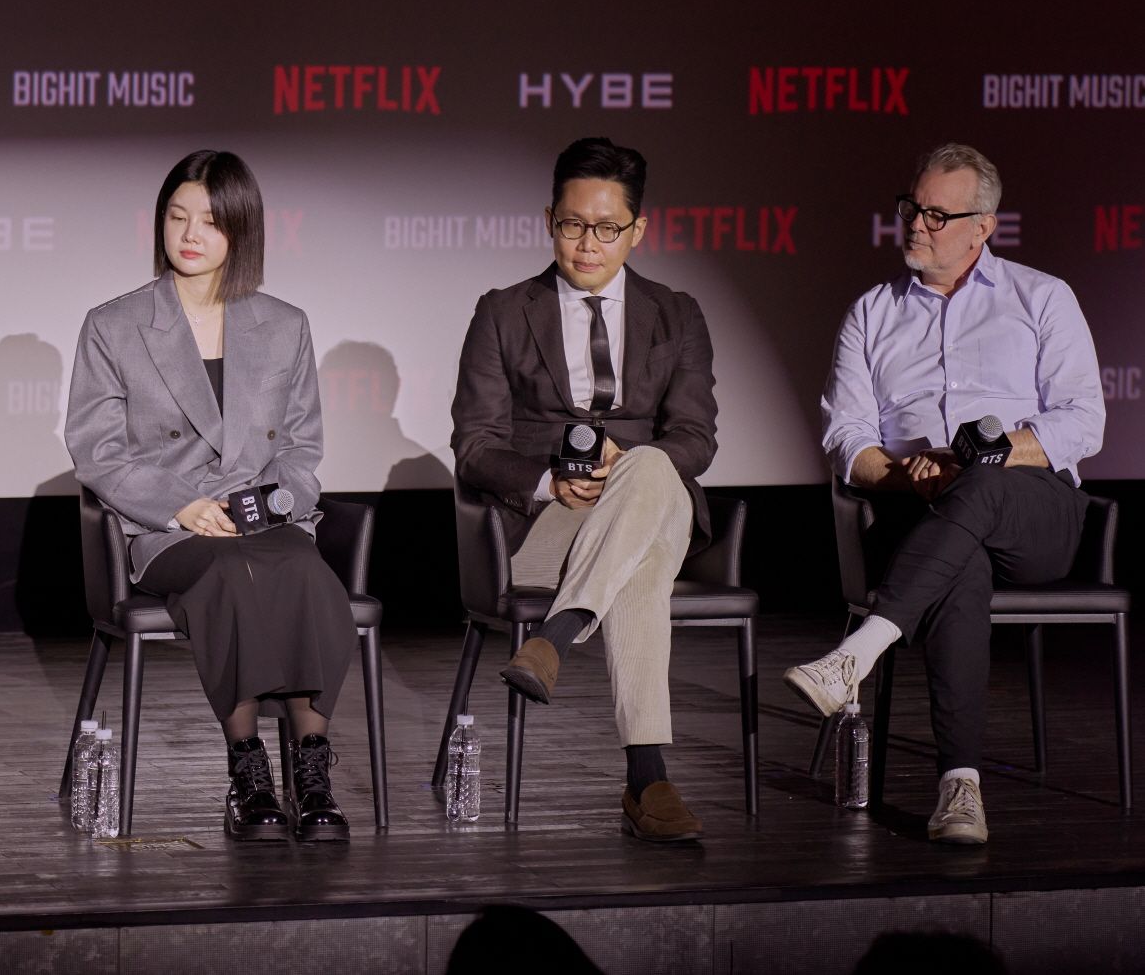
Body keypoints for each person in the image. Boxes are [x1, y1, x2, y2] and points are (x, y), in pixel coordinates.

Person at [787, 143, 1104, 845]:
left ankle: (857, 653)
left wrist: (981, 456)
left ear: (981, 226)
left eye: (936, 214)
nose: (915, 224)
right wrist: (910, 474)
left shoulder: (1041, 297)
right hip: (921, 508)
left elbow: (1084, 421)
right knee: (960, 564)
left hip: (1034, 508)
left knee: (982, 480)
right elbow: (847, 439)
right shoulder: (871, 313)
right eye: (910, 207)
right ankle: (960, 787)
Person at [65, 150, 357, 842]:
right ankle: (248, 770)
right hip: (168, 525)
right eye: (177, 217)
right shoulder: (114, 325)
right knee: (229, 572)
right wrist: (182, 506)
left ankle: (311, 770)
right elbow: (97, 450)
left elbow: (301, 447)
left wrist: (272, 503)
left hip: (263, 518)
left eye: (211, 221)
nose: (190, 234)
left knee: (304, 570)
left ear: (240, 230)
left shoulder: (283, 323)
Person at [451, 137, 719, 842]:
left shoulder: (677, 313)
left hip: (647, 501)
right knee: (640, 564)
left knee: (652, 468)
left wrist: (626, 464)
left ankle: (557, 635)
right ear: (549, 221)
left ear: (637, 230)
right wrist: (549, 482)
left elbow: (695, 437)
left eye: (606, 227)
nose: (587, 243)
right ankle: (646, 780)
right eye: (572, 224)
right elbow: (475, 446)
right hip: (546, 526)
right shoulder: (503, 311)